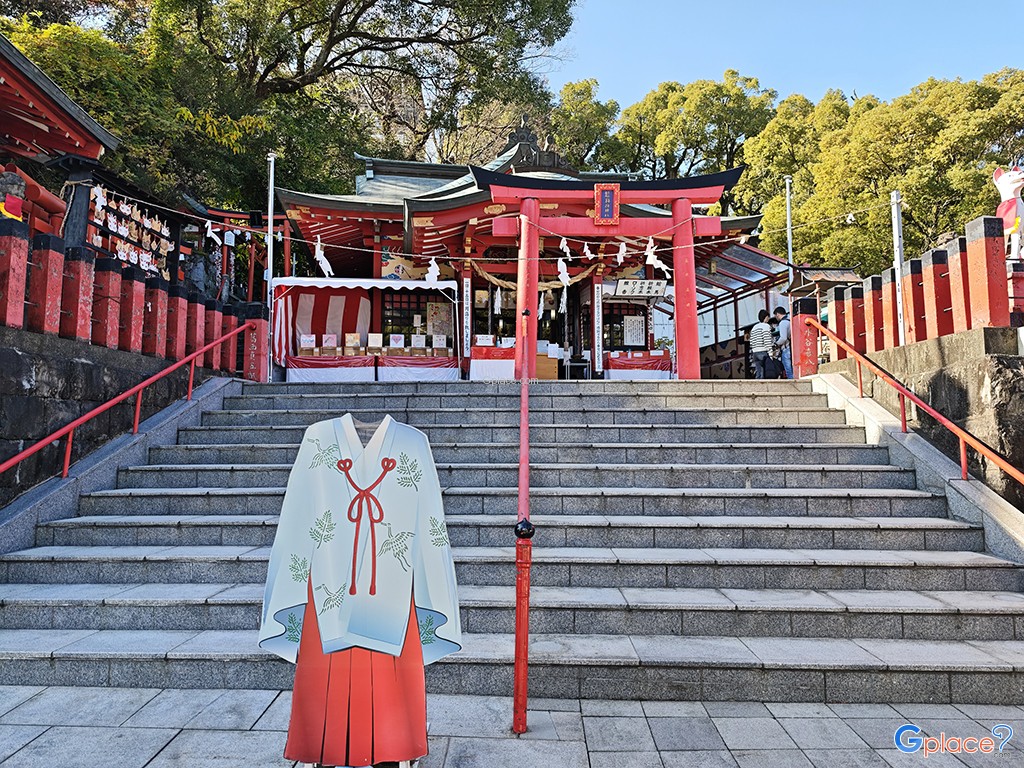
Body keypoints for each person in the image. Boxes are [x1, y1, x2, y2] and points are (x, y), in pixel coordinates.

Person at [259, 414, 462, 768]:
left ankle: (392, 750)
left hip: (393, 589)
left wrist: (432, 581)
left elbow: (430, 519)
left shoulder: (413, 443)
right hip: (329, 582)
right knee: (328, 676)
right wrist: (291, 581)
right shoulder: (318, 439)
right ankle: (327, 750)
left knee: (389, 677)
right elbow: (296, 515)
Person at [748, 309, 774, 379]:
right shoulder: (766, 326)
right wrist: (770, 353)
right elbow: (767, 340)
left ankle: (758, 385)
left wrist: (754, 350)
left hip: (755, 352)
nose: (768, 319)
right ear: (766, 317)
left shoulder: (754, 328)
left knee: (759, 373)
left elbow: (751, 341)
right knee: (766, 372)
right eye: (768, 317)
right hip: (763, 351)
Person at [774, 306, 793, 379]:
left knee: (789, 371)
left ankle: (792, 384)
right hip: (792, 348)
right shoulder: (790, 321)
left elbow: (783, 338)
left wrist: (776, 344)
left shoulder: (783, 323)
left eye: (775, 316)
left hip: (786, 348)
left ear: (777, 314)